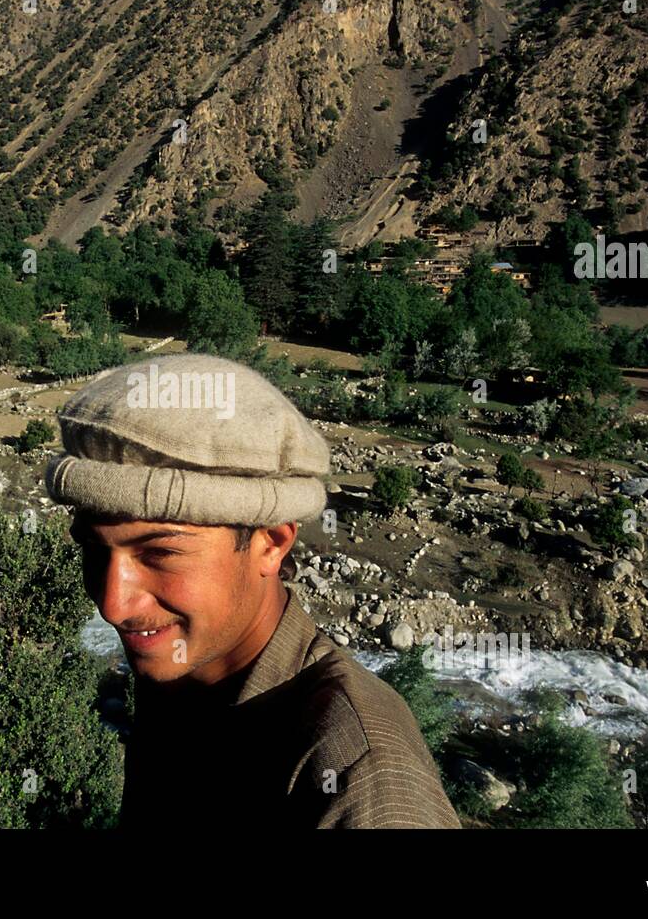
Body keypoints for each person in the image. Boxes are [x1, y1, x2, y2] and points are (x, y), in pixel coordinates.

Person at [45, 353, 459, 828]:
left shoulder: (361, 774)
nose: (114, 605)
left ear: (271, 543)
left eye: (160, 554)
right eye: (95, 551)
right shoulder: (182, 671)